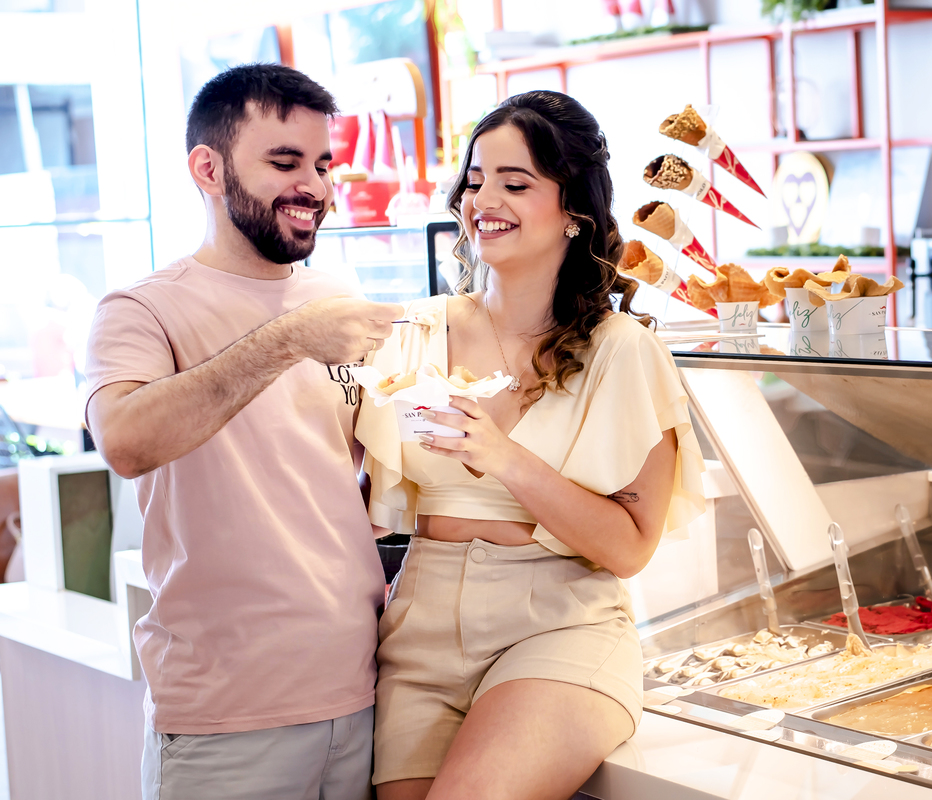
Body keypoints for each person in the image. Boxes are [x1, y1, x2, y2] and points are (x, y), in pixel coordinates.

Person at [357, 91, 706, 799]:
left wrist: (507, 458)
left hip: (559, 627)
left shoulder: (623, 351)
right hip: (419, 625)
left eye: (515, 184)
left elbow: (630, 546)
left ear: (574, 210)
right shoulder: (412, 333)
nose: (485, 198)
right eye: (476, 179)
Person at [84, 64, 404, 800]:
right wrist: (290, 339)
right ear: (207, 167)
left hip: (361, 692)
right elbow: (126, 442)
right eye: (285, 163)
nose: (316, 188)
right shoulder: (141, 309)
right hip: (223, 719)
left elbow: (360, 468)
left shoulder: (336, 297)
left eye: (323, 165)